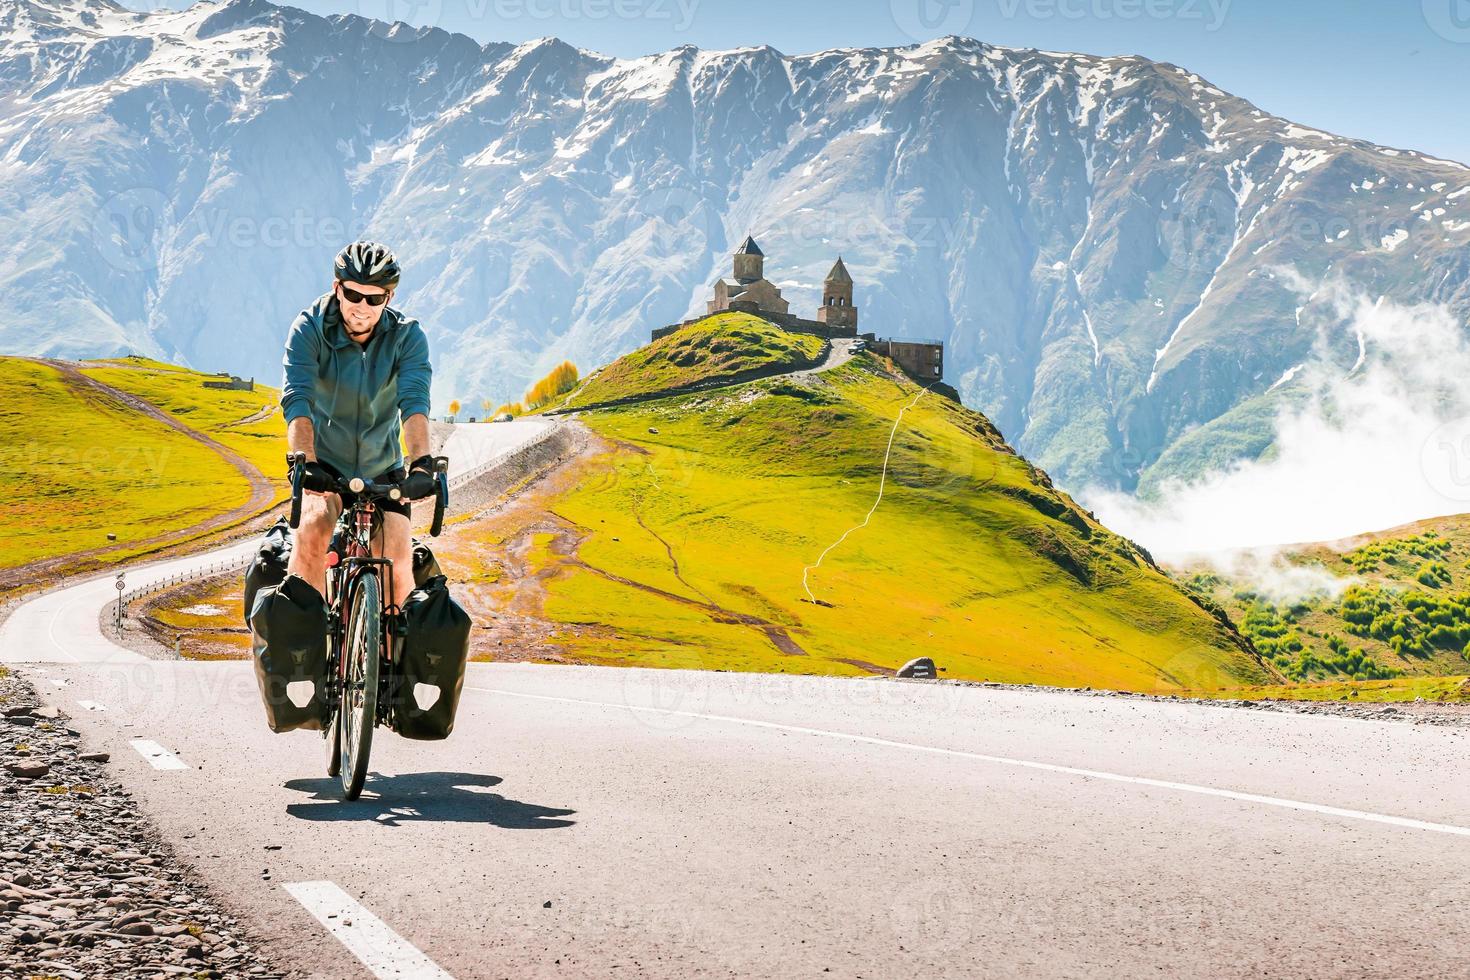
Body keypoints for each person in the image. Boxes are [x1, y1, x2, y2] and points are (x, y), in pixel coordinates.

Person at [279, 240, 439, 610]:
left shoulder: (408, 336)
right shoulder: (309, 328)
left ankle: (389, 660)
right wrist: (305, 461)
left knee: (397, 561)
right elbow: (297, 399)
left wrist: (422, 464)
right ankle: (313, 644)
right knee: (313, 536)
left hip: (383, 468)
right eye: (352, 294)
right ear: (337, 288)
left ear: (389, 296)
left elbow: (414, 404)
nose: (361, 307)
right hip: (326, 464)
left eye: (374, 298)